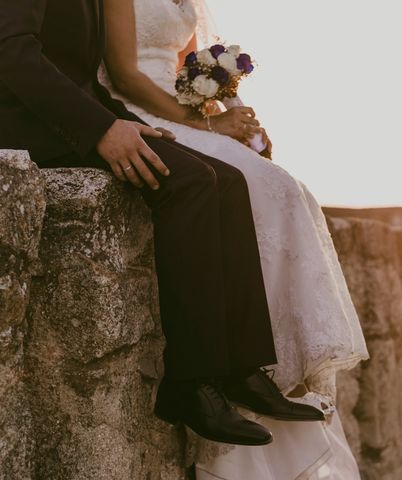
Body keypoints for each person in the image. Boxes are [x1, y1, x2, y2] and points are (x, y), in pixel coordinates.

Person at [0, 0, 329, 449]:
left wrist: (127, 123)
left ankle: (242, 369)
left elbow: (82, 78)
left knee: (227, 180)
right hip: (26, 123)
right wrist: (100, 129)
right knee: (190, 184)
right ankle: (190, 384)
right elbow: (12, 53)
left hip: (80, 114)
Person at [99, 0, 369, 478]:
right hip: (138, 108)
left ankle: (260, 366)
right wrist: (202, 124)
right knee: (252, 186)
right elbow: (123, 73)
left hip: (180, 106)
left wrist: (228, 111)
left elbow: (187, 63)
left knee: (286, 188)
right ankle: (235, 370)